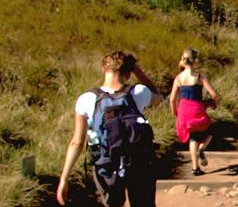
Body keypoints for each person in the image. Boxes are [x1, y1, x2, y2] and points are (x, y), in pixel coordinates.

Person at [58, 51, 163, 207]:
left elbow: (76, 142)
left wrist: (64, 178)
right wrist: (138, 71)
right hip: (138, 162)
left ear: (103, 69)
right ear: (128, 74)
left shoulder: (86, 99)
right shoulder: (139, 92)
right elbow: (158, 97)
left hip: (106, 163)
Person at [171, 49, 218, 176]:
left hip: (184, 110)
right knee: (210, 130)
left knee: (192, 137)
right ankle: (202, 148)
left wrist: (176, 113)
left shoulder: (178, 78)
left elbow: (172, 99)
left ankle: (195, 168)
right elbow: (214, 94)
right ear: (195, 60)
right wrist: (213, 104)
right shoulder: (199, 77)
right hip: (197, 108)